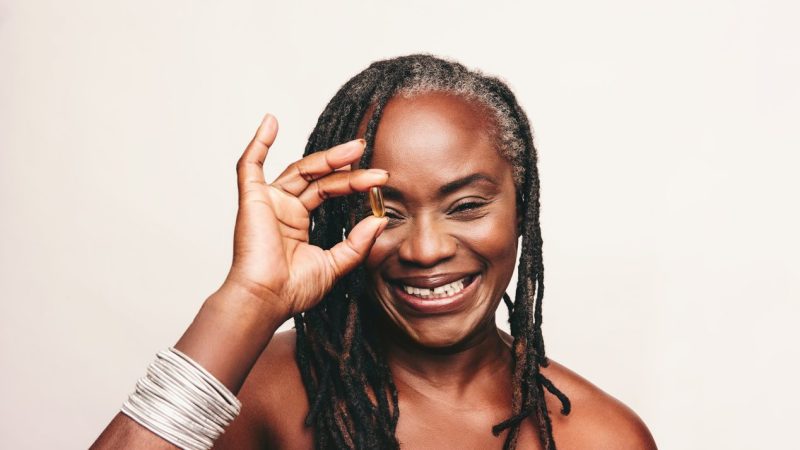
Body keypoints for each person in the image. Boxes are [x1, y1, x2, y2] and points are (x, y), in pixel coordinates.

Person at [92, 54, 657, 450]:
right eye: (381, 212)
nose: (426, 249)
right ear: (339, 217)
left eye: (465, 206)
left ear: (521, 211)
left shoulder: (602, 437)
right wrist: (249, 300)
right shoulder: (264, 392)